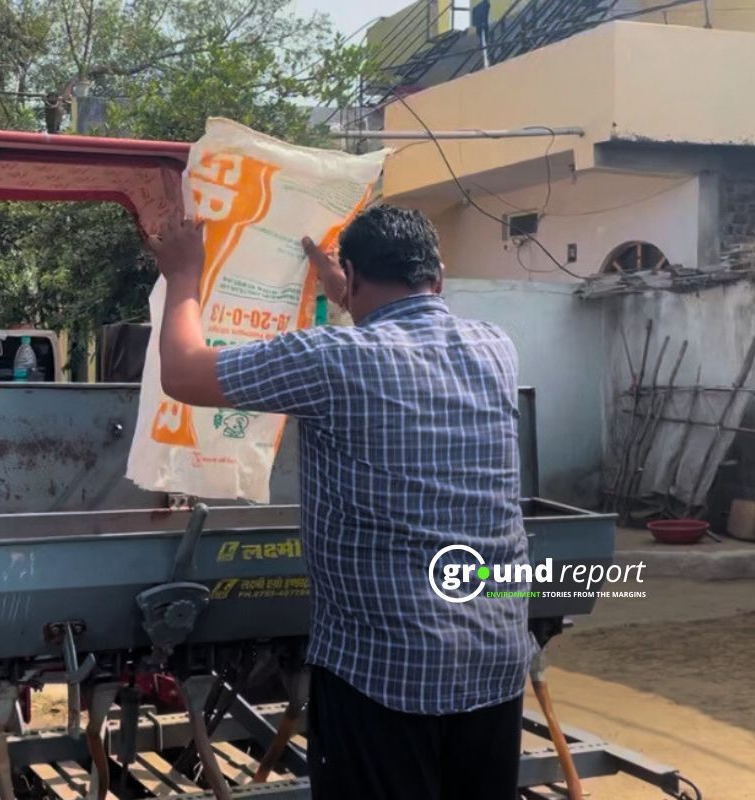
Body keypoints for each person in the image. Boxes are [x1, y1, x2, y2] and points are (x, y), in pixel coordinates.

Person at [147, 205, 532, 799]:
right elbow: (402, 348)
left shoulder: (330, 359)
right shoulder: (496, 350)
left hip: (383, 676)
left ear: (352, 279)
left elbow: (185, 373)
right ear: (439, 276)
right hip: (494, 663)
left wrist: (182, 274)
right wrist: (347, 289)